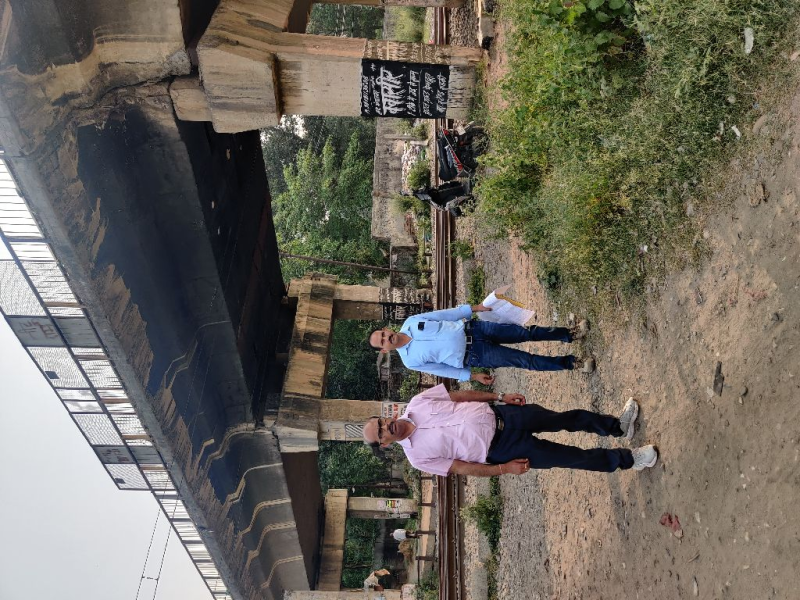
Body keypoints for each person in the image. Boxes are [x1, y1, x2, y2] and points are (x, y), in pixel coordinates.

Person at [362, 384, 658, 476]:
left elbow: (459, 396)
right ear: (385, 443)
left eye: (381, 422)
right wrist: (504, 469)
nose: (385, 427)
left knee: (565, 418)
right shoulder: (417, 458)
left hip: (505, 415)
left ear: (386, 416)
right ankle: (629, 460)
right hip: (503, 450)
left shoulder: (418, 402)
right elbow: (462, 467)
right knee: (570, 457)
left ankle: (618, 427)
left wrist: (499, 397)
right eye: (381, 433)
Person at [368, 303, 594, 384]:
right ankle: (573, 363)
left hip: (475, 329)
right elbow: (442, 370)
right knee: (525, 360)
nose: (387, 338)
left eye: (384, 334)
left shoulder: (411, 322)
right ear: (385, 349)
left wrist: (473, 308)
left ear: (387, 329)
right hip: (476, 355)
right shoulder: (410, 361)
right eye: (383, 342)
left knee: (526, 333)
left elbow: (443, 315)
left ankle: (570, 334)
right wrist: (473, 376)